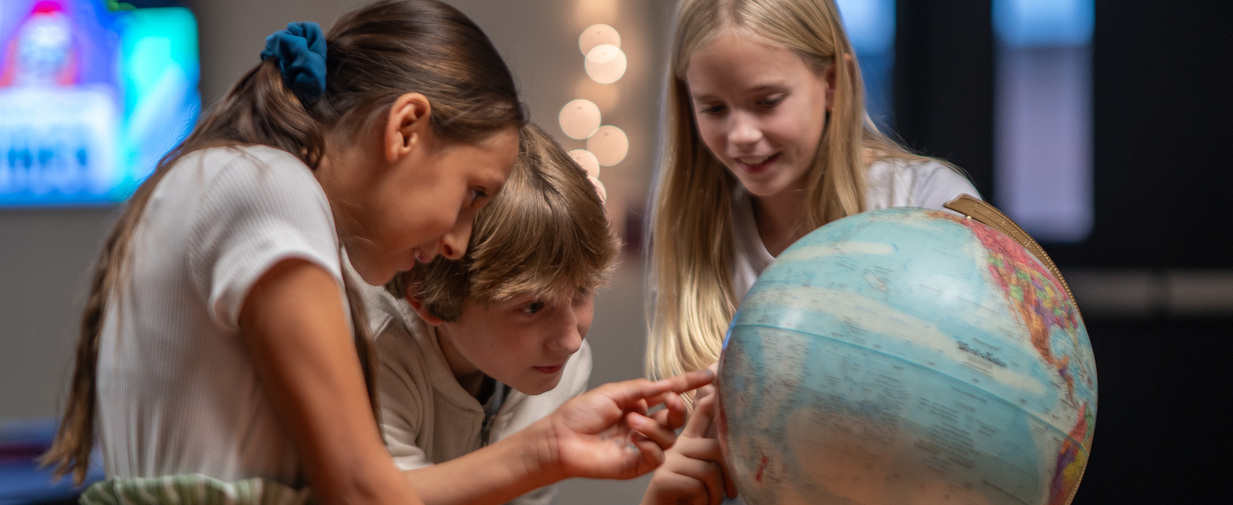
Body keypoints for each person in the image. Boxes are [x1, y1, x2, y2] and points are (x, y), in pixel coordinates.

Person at [40, 2, 708, 504]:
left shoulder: (235, 178)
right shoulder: (272, 191)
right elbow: (363, 492)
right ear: (406, 128)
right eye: (472, 194)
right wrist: (550, 449)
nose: (457, 240)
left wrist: (551, 445)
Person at [642, 0, 983, 503]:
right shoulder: (697, 238)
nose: (740, 135)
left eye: (766, 101)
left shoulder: (926, 204)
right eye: (713, 108)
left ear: (831, 83)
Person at [360, 122, 644, 505]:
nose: (572, 341)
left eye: (581, 291)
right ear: (426, 298)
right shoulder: (375, 352)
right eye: (532, 306)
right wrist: (540, 454)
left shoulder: (560, 369)